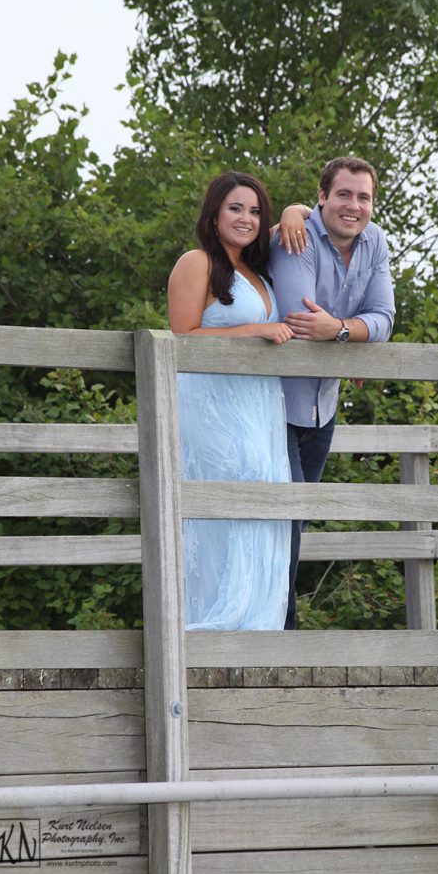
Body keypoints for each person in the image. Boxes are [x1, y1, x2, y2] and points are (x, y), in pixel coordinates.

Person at [270, 155, 396, 629]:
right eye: (343, 194)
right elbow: (299, 319)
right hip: (275, 404)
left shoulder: (376, 241)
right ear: (322, 196)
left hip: (324, 409)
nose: (354, 205)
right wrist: (346, 329)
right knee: (287, 514)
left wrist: (341, 329)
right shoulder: (295, 233)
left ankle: (272, 626)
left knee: (296, 520)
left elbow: (384, 319)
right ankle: (282, 632)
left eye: (364, 197)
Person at [168, 171, 293, 630]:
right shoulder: (196, 262)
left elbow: (305, 221)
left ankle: (259, 625)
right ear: (214, 213)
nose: (246, 218)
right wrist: (256, 330)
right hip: (212, 404)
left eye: (256, 211)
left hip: (258, 406)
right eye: (236, 208)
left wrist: (294, 211)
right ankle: (213, 623)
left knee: (265, 495)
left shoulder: (258, 272)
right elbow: (182, 336)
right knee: (230, 492)